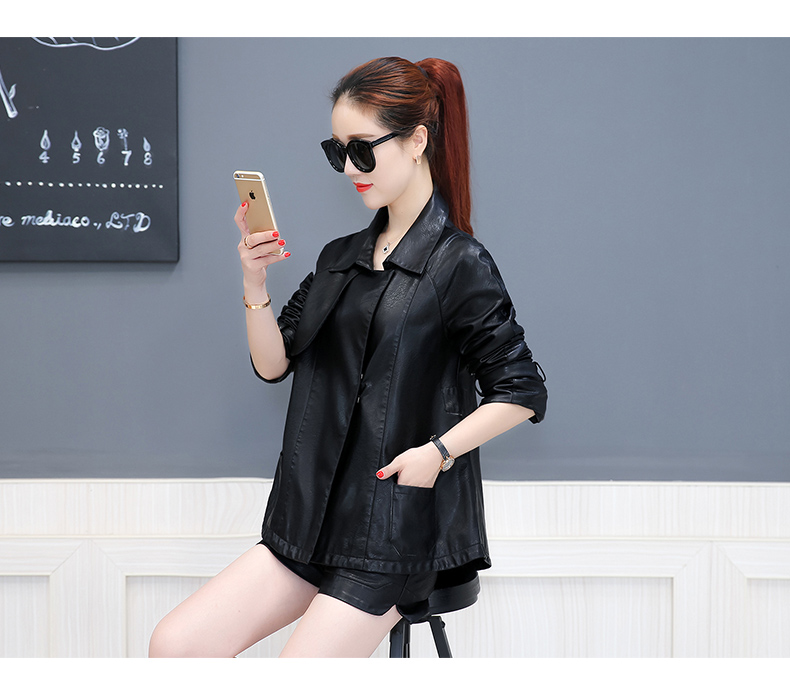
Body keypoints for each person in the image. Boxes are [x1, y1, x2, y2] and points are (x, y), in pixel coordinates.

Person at [149, 55, 547, 659]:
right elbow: (274, 364)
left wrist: (438, 453)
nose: (350, 170)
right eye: (338, 153)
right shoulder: (340, 257)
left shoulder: (459, 263)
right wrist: (254, 282)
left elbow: (521, 389)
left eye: (362, 150)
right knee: (174, 645)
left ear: (417, 141)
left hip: (390, 536)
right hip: (308, 521)